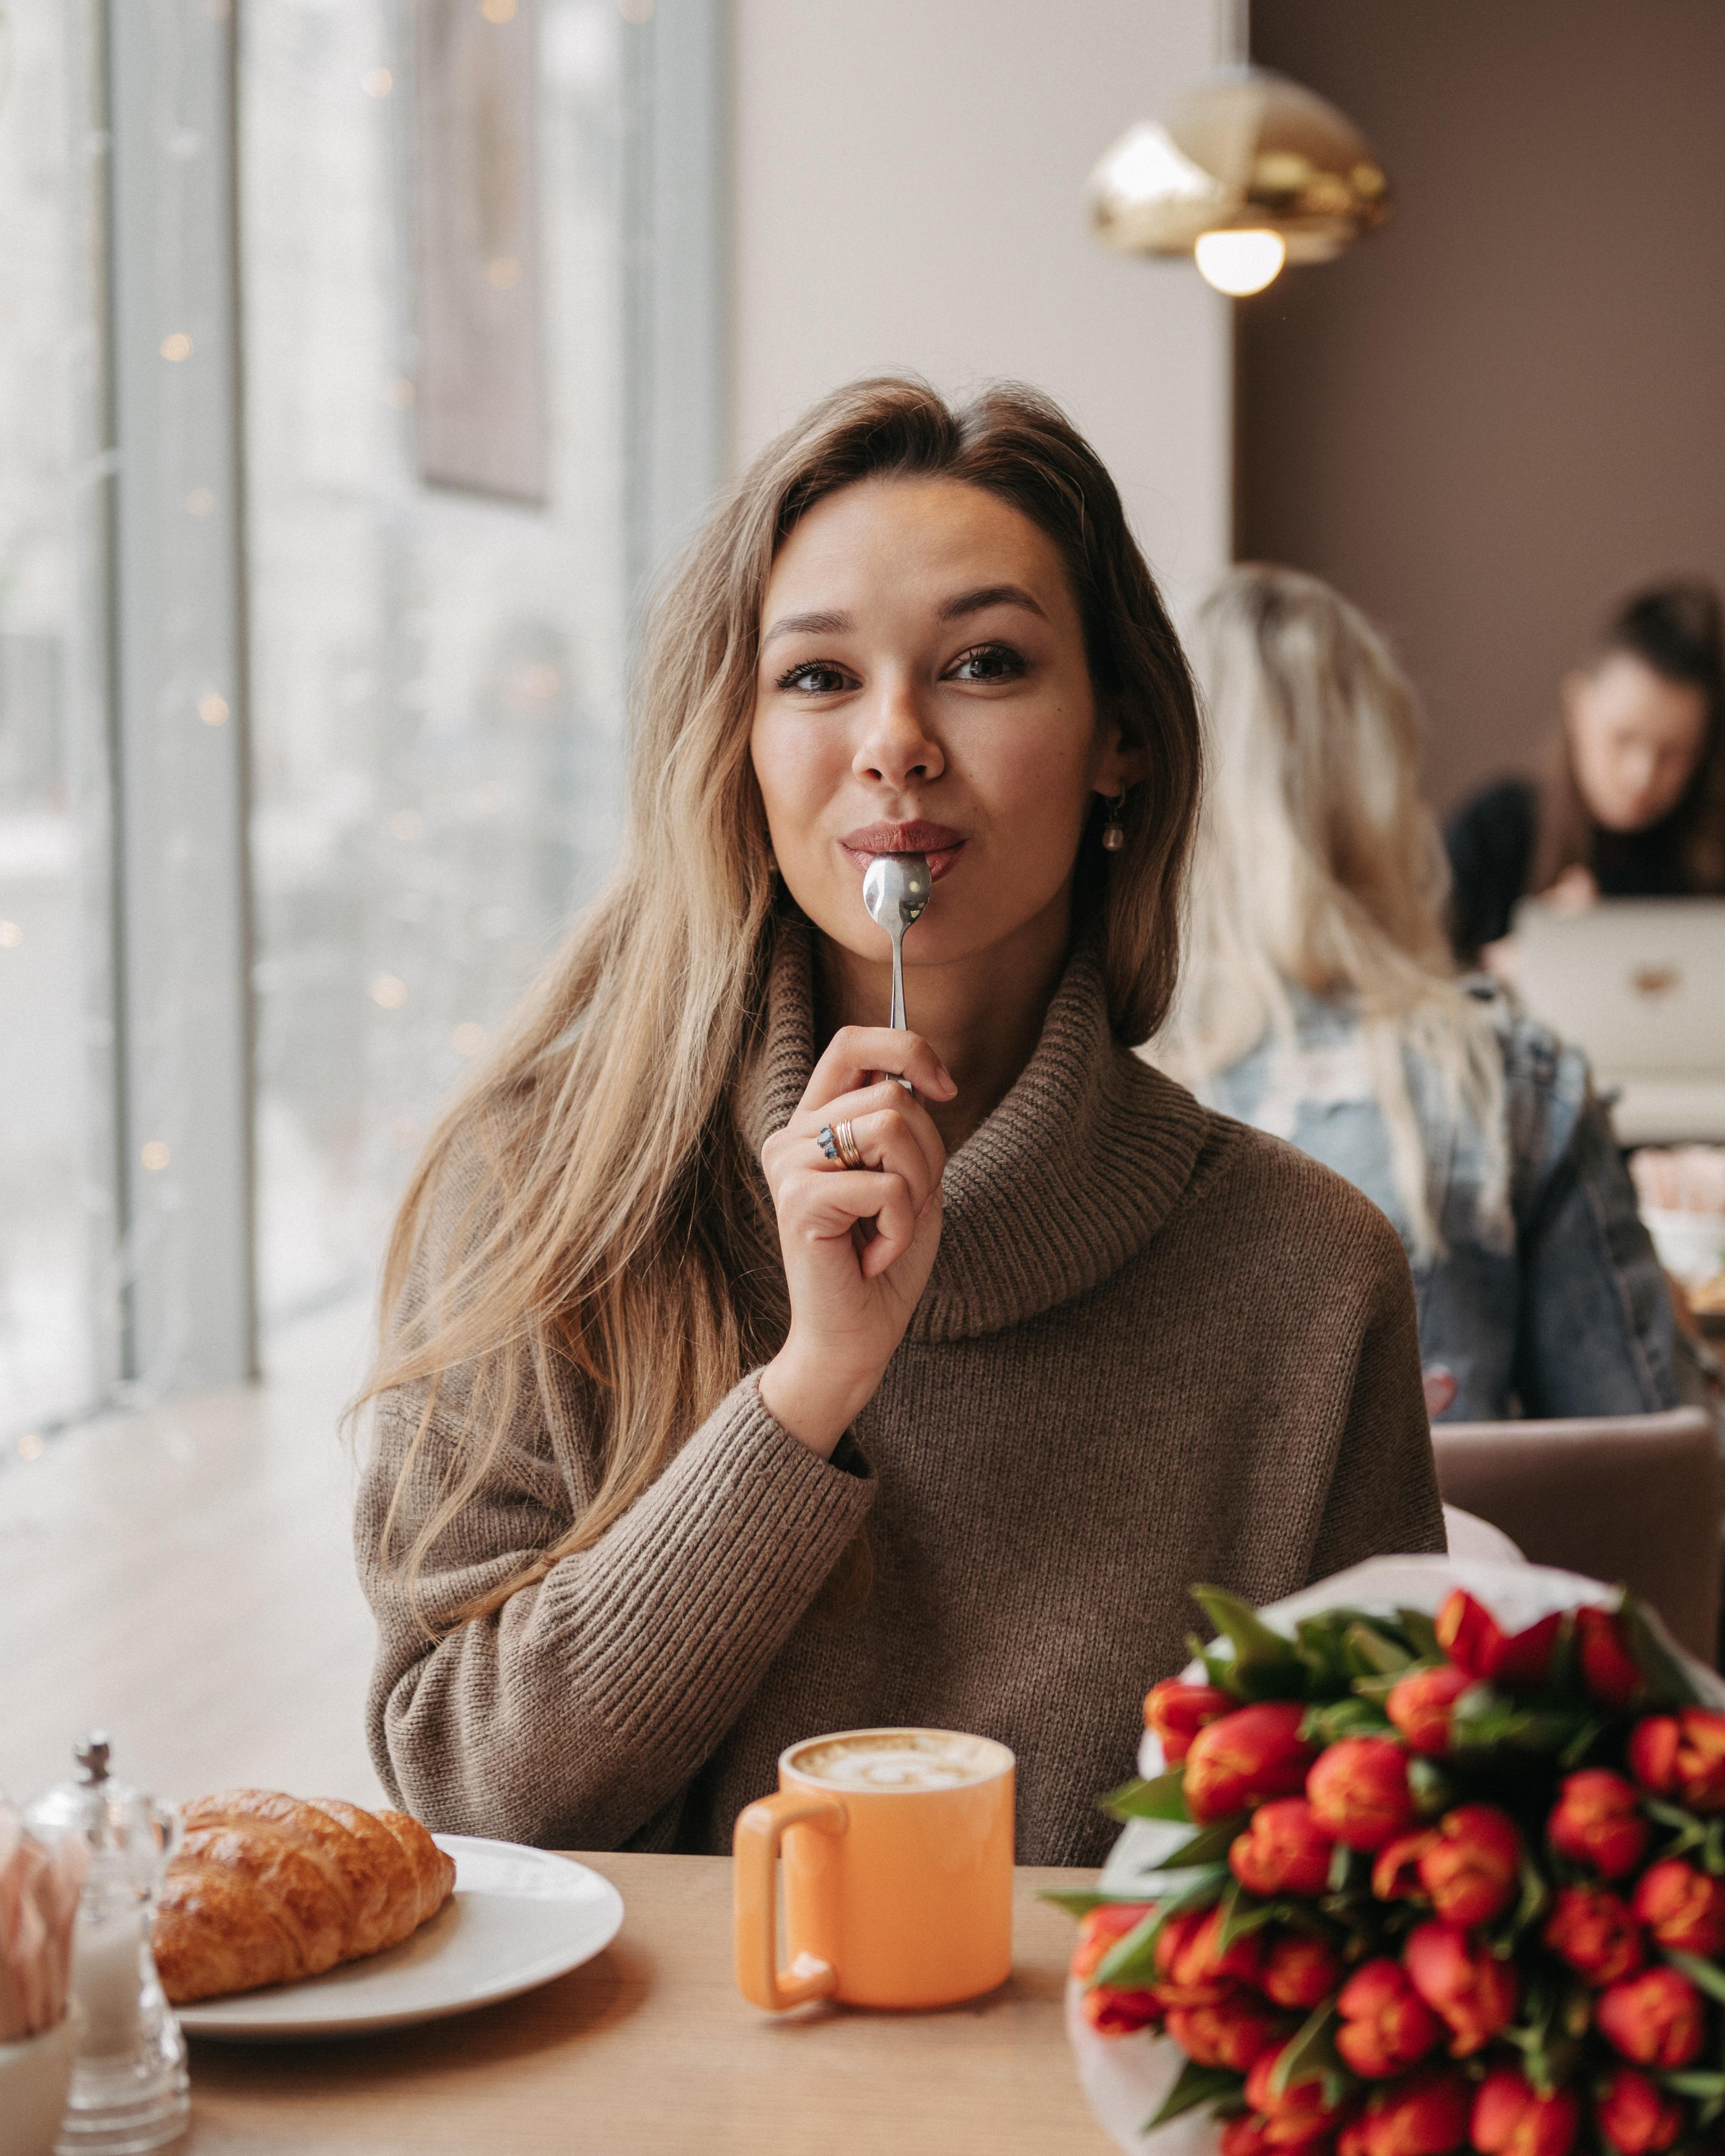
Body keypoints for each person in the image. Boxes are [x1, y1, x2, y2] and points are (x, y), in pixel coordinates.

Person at [353, 383, 1442, 1868]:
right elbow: (464, 1796)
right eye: (814, 679)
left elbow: (1373, 1875)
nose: (895, 742)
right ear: (732, 742)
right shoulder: (538, 1187)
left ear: (1120, 737)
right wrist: (809, 1387)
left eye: (982, 664)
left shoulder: (1307, 1272)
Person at [1160, 563, 1679, 1426]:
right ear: (1378, 786)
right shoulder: (1503, 1080)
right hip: (1439, 1559)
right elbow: (1648, 1460)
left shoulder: (1046, 1076)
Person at [1446, 581, 1725, 967]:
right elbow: (1404, 984)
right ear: (1577, 703)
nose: (1641, 776)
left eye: (1674, 754)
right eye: (1623, 739)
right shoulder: (1493, 832)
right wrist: (1502, 965)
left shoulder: (1711, 854)